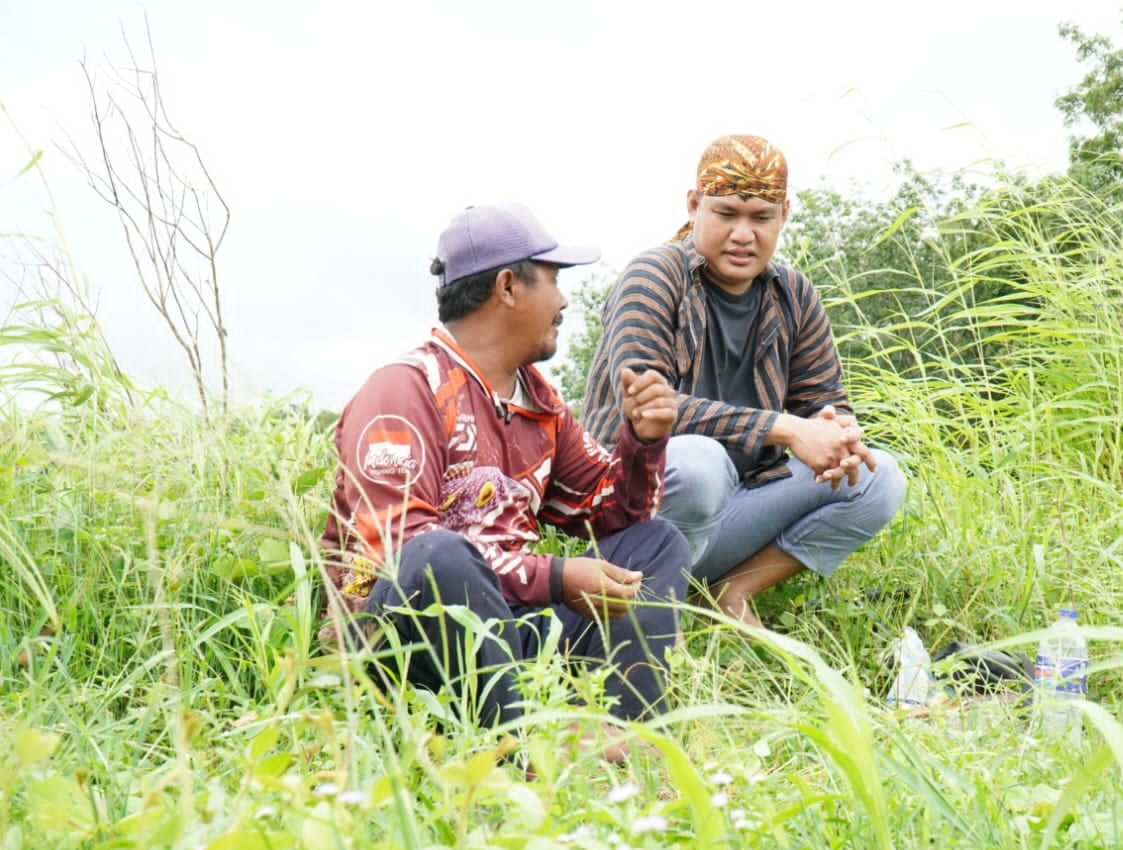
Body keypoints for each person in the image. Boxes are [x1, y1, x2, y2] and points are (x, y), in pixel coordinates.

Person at [320, 202, 690, 744]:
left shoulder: (539, 404)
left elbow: (614, 516)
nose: (564, 300)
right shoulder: (404, 389)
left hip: (513, 629)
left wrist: (645, 441)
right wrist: (558, 579)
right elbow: (400, 549)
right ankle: (523, 751)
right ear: (509, 287)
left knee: (656, 544)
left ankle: (625, 741)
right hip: (402, 647)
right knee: (437, 555)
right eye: (555, 279)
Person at [581, 133, 905, 627]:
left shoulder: (793, 293)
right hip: (633, 516)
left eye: (760, 218)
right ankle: (650, 612)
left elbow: (826, 400)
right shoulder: (653, 276)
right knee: (700, 463)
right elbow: (648, 410)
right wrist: (789, 429)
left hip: (737, 502)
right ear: (695, 206)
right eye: (727, 213)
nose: (743, 234)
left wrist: (835, 430)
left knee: (877, 477)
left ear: (784, 215)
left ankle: (727, 594)